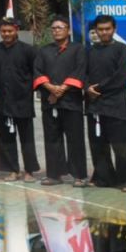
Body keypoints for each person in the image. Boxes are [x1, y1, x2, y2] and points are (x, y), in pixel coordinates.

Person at [83, 13, 126, 191]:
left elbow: (120, 77)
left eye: (107, 29)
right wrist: (86, 87)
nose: (104, 32)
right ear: (96, 31)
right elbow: (82, 73)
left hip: (115, 106)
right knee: (98, 144)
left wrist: (97, 89)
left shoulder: (123, 50)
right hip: (94, 106)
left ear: (114, 29)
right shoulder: (90, 51)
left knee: (123, 145)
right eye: (100, 29)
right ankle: (104, 178)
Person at [32, 16, 87, 187]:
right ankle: (54, 174)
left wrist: (62, 89)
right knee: (52, 139)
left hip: (72, 102)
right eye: (54, 28)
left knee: (75, 139)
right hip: (50, 102)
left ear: (68, 30)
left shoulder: (78, 49)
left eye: (60, 27)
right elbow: (37, 70)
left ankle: (79, 175)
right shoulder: (44, 50)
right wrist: (50, 88)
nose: (56, 30)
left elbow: (80, 70)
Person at [0, 17, 39, 181]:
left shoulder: (28, 50)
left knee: (27, 138)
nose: (6, 34)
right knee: (6, 139)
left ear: (16, 30)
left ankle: (29, 170)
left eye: (10, 31)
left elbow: (36, 73)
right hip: (1, 102)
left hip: (22, 101)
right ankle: (12, 169)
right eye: (3, 31)